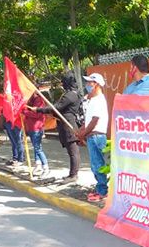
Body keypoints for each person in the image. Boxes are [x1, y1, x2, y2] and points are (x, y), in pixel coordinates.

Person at [32, 71, 80, 183]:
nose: (62, 83)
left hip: (69, 125)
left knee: (73, 151)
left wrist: (39, 109)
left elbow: (57, 107)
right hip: (65, 124)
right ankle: (72, 174)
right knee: (71, 151)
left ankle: (74, 175)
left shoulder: (71, 95)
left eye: (64, 81)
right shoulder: (70, 93)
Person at [77, 73, 109, 202]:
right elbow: (88, 120)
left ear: (96, 84)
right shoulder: (92, 100)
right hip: (92, 136)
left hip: (97, 136)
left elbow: (95, 120)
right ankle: (100, 188)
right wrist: (81, 130)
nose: (87, 85)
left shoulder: (99, 100)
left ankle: (102, 191)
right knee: (95, 165)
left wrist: (83, 133)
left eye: (90, 82)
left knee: (98, 165)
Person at [23, 92, 50, 178]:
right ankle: (38, 165)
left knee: (38, 148)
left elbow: (37, 114)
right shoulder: (30, 100)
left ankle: (46, 168)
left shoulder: (39, 100)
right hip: (31, 127)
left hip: (37, 127)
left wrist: (25, 112)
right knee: (35, 147)